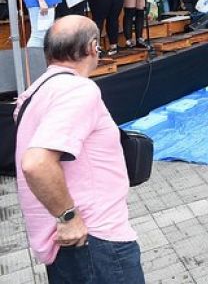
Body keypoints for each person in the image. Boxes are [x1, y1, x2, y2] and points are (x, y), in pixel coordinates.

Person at [14, 16, 144, 282]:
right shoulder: (78, 90)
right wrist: (69, 218)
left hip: (70, 241)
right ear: (92, 47)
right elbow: (36, 162)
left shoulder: (37, 90)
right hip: (94, 240)